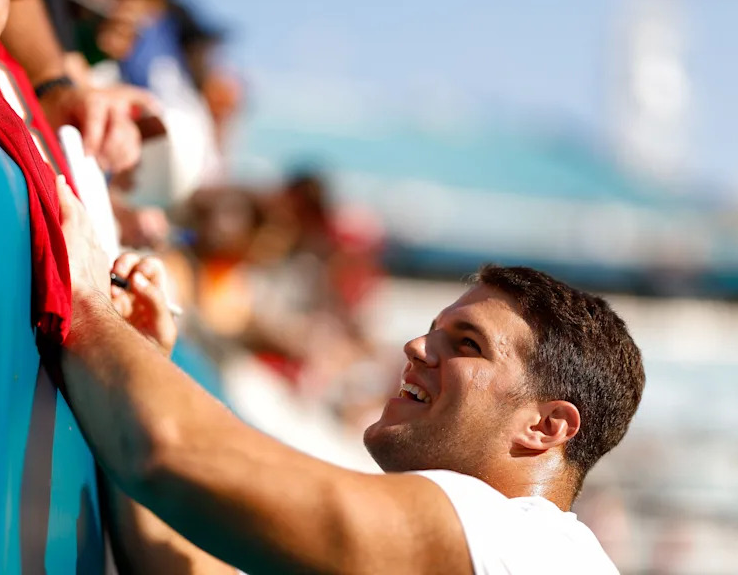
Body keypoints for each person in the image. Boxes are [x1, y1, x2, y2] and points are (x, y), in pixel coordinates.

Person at [55, 177, 646, 574]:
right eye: (431, 330)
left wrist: (82, 299)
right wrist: (136, 354)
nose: (415, 347)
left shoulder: (525, 546)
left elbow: (172, 452)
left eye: (466, 345)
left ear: (546, 426)